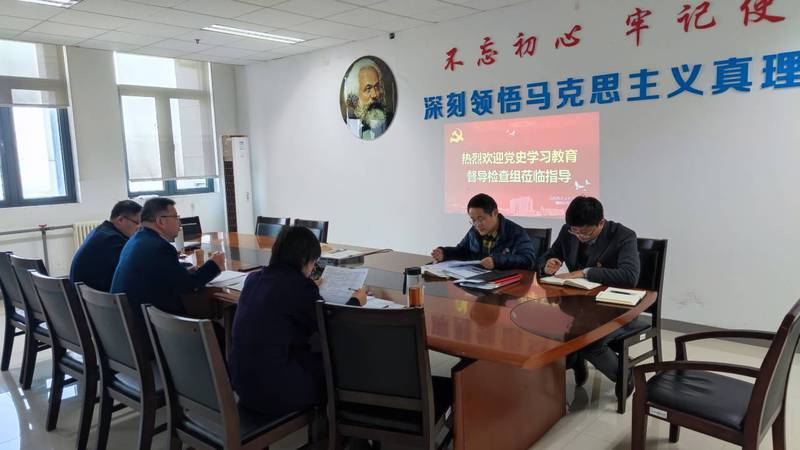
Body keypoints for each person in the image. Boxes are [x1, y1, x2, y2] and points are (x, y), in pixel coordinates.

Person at [229, 226, 367, 417]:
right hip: (273, 391)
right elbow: (332, 327)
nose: (312, 269)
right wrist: (356, 301)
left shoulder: (254, 279)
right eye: (313, 263)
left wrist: (307, 285)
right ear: (304, 259)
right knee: (338, 367)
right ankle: (337, 429)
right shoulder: (300, 287)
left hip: (243, 386)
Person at [538, 196, 640, 398]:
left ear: (601, 222)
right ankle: (575, 360)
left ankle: (625, 375)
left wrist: (586, 272)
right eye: (574, 231)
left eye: (585, 233)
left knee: (591, 341)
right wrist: (549, 263)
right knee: (547, 328)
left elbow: (629, 276)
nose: (579, 237)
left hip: (615, 307)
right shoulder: (569, 231)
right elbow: (547, 256)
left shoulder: (623, 235)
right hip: (578, 306)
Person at [110, 197, 225, 320]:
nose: (179, 222)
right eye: (176, 217)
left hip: (126, 319)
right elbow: (188, 286)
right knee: (216, 326)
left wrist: (181, 271)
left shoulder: (135, 240)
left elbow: (161, 272)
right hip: (149, 323)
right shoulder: (160, 247)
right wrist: (214, 265)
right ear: (161, 221)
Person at [431, 193, 536, 270]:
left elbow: (528, 260)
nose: (477, 224)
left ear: (495, 213)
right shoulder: (474, 231)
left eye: (481, 219)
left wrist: (497, 261)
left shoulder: (516, 233)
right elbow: (462, 251)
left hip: (504, 285)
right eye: (473, 220)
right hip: (477, 280)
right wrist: (445, 253)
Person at [70, 200, 142, 292]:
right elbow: (131, 271)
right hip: (95, 297)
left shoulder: (100, 231)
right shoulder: (114, 240)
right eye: (137, 223)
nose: (140, 228)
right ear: (120, 220)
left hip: (84, 295)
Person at [343, 58, 393, 140]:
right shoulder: (349, 125)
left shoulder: (392, 121)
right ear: (356, 95)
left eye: (376, 87)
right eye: (368, 89)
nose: (375, 95)